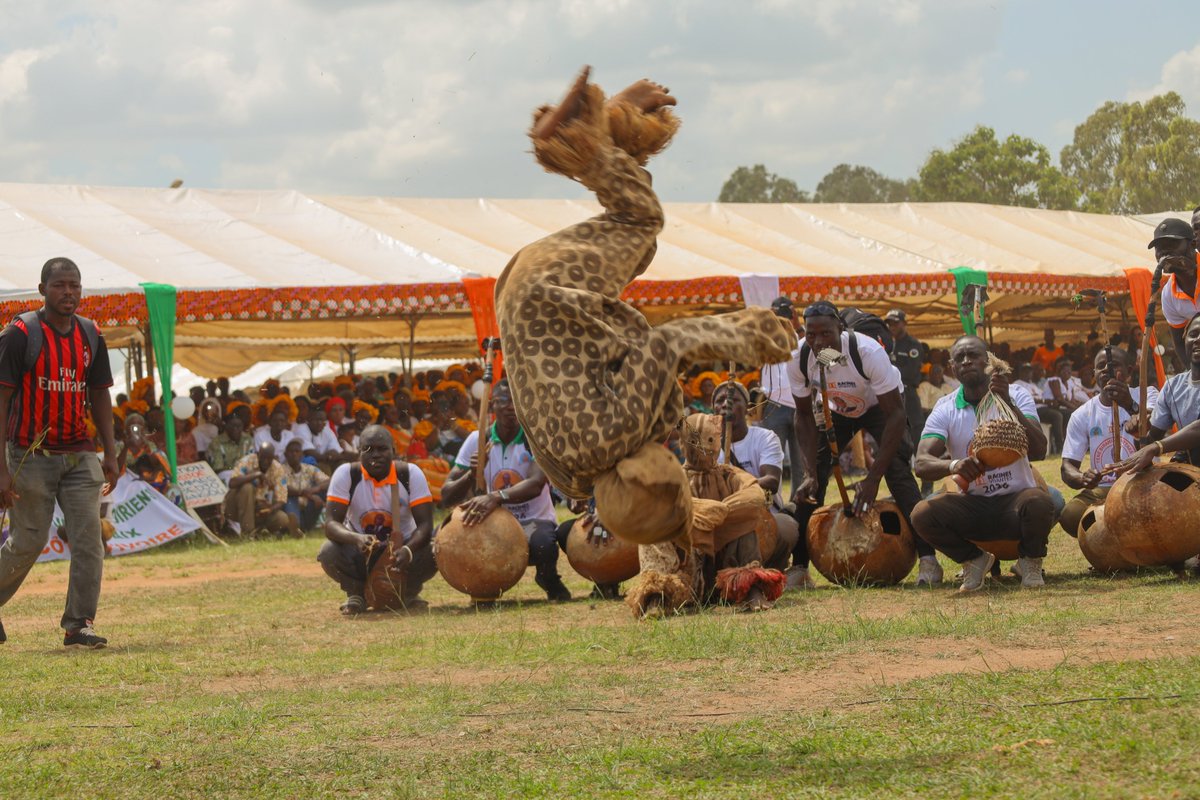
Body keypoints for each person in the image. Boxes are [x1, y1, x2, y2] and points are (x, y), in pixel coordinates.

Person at [0, 257, 119, 648]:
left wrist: (110, 452)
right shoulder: (20, 334)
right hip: (29, 454)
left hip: (79, 453)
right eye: (59, 285)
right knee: (29, 541)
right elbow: (1, 401)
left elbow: (100, 394)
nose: (68, 292)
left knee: (89, 539)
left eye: (74, 285)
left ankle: (78, 625)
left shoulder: (91, 334)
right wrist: (1, 469)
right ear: (42, 290)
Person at [788, 300, 940, 586]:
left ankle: (928, 558)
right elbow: (804, 416)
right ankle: (799, 567)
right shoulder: (799, 357)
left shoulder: (868, 352)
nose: (818, 343)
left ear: (840, 328)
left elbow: (895, 415)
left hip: (881, 408)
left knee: (897, 472)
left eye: (826, 334)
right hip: (839, 410)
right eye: (811, 335)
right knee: (813, 481)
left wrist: (872, 479)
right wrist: (809, 471)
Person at [911, 335, 1053, 592]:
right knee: (922, 514)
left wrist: (1008, 403)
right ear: (953, 367)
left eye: (973, 355)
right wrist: (954, 465)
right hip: (973, 507)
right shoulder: (945, 407)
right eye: (959, 358)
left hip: (1015, 504)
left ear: (989, 361)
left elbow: (1040, 450)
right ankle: (974, 560)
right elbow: (921, 462)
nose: (966, 361)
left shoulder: (1017, 394)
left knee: (1040, 501)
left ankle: (1030, 562)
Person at [441, 380, 571, 601]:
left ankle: (548, 577)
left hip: (533, 521)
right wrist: (471, 474)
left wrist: (495, 497)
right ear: (492, 405)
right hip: (494, 523)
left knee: (543, 545)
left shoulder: (536, 437)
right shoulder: (477, 439)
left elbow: (536, 484)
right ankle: (483, 589)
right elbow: (446, 495)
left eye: (516, 400)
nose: (511, 406)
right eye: (504, 400)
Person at [317, 425, 436, 615]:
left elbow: (425, 525)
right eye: (368, 449)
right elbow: (331, 524)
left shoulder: (410, 473)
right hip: (361, 552)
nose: (376, 455)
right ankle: (357, 593)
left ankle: (408, 593)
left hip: (401, 552)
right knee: (328, 552)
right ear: (359, 452)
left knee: (436, 548)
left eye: (382, 449)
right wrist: (356, 538)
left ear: (393, 451)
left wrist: (408, 550)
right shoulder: (346, 474)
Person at [1059, 349, 1157, 537]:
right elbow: (1067, 466)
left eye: (1113, 365)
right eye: (1100, 366)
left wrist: (1129, 404)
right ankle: (1110, 543)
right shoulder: (1082, 414)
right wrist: (1082, 478)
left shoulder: (1147, 394)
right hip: (1104, 488)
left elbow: (1154, 427)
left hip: (1145, 482)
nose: (1105, 369)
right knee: (1071, 515)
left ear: (1129, 371)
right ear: (1094, 374)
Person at [711, 380, 800, 578]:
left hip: (765, 518)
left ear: (748, 408)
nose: (726, 404)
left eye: (734, 399)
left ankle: (771, 570)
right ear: (713, 410)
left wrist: (732, 487)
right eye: (720, 400)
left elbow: (771, 481)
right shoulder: (708, 447)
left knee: (787, 527)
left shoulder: (765, 438)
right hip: (723, 521)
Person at [1130, 311, 1200, 466]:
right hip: (1191, 472)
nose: (1198, 339)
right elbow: (1151, 440)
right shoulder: (1172, 387)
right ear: (1184, 339)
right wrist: (1138, 433)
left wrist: (1158, 447)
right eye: (1193, 334)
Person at [757, 296, 803, 485]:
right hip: (774, 404)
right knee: (772, 456)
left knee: (802, 459)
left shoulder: (803, 336)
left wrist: (796, 324)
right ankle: (772, 498)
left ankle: (800, 499)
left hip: (800, 403)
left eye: (786, 313)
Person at [1150, 217, 1200, 364]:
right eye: (1159, 248)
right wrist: (1194, 373)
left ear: (1193, 244)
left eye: (1171, 244)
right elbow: (1179, 343)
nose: (1164, 252)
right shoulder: (1168, 295)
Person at [224, 442, 294, 538]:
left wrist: (270, 510)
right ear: (258, 454)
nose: (265, 461)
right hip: (236, 506)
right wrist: (256, 475)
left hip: (259, 509)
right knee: (247, 487)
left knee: (283, 519)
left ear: (273, 457)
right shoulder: (247, 461)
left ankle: (260, 532)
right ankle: (248, 534)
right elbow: (232, 483)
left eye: (269, 458)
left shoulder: (278, 469)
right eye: (263, 457)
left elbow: (281, 499)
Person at [884, 309, 927, 437]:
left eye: (895, 323)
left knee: (915, 427)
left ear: (904, 323)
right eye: (889, 324)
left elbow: (911, 372)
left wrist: (888, 372)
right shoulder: (887, 344)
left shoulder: (913, 345)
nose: (892, 327)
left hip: (907, 392)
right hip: (889, 392)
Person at [1014, 363, 1065, 455]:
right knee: (1057, 415)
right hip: (1032, 410)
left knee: (1067, 413)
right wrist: (1044, 401)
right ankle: (1059, 447)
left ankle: (1068, 444)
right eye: (1025, 371)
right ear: (1020, 373)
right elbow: (1022, 399)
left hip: (1043, 408)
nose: (1028, 373)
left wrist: (1052, 402)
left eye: (1029, 371)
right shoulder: (1017, 384)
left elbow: (1043, 397)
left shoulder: (1033, 385)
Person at [282, 439, 330, 533]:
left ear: (302, 455)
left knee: (324, 490)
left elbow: (330, 481)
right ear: (285, 455)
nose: (294, 454)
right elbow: (284, 488)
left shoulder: (309, 468)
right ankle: (295, 527)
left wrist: (316, 489)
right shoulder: (280, 469)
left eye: (297, 451)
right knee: (289, 498)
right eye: (291, 452)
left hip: (308, 509)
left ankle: (302, 527)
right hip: (292, 507)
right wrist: (307, 494)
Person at [206, 414, 253, 482]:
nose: (235, 429)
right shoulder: (217, 442)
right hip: (225, 475)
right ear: (226, 426)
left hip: (246, 473)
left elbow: (252, 461)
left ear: (243, 426)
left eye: (239, 426)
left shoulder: (247, 439)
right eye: (232, 425)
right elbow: (218, 469)